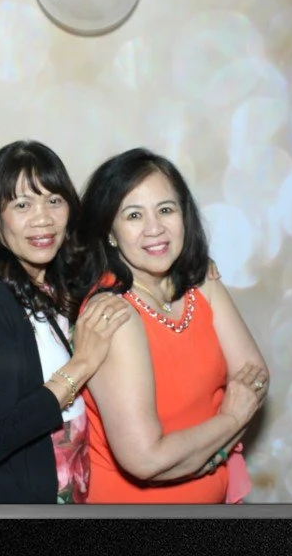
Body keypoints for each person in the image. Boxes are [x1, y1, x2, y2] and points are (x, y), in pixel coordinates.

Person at [0, 140, 133, 503]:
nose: (42, 218)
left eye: (54, 200)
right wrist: (83, 364)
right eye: (22, 204)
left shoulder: (62, 288)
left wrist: (196, 271)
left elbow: (129, 259)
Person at [74, 148, 268, 503]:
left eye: (166, 209)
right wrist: (230, 421)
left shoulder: (201, 283)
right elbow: (147, 459)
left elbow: (254, 375)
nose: (155, 228)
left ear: (184, 216)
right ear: (110, 233)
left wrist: (205, 455)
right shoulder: (114, 313)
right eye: (133, 215)